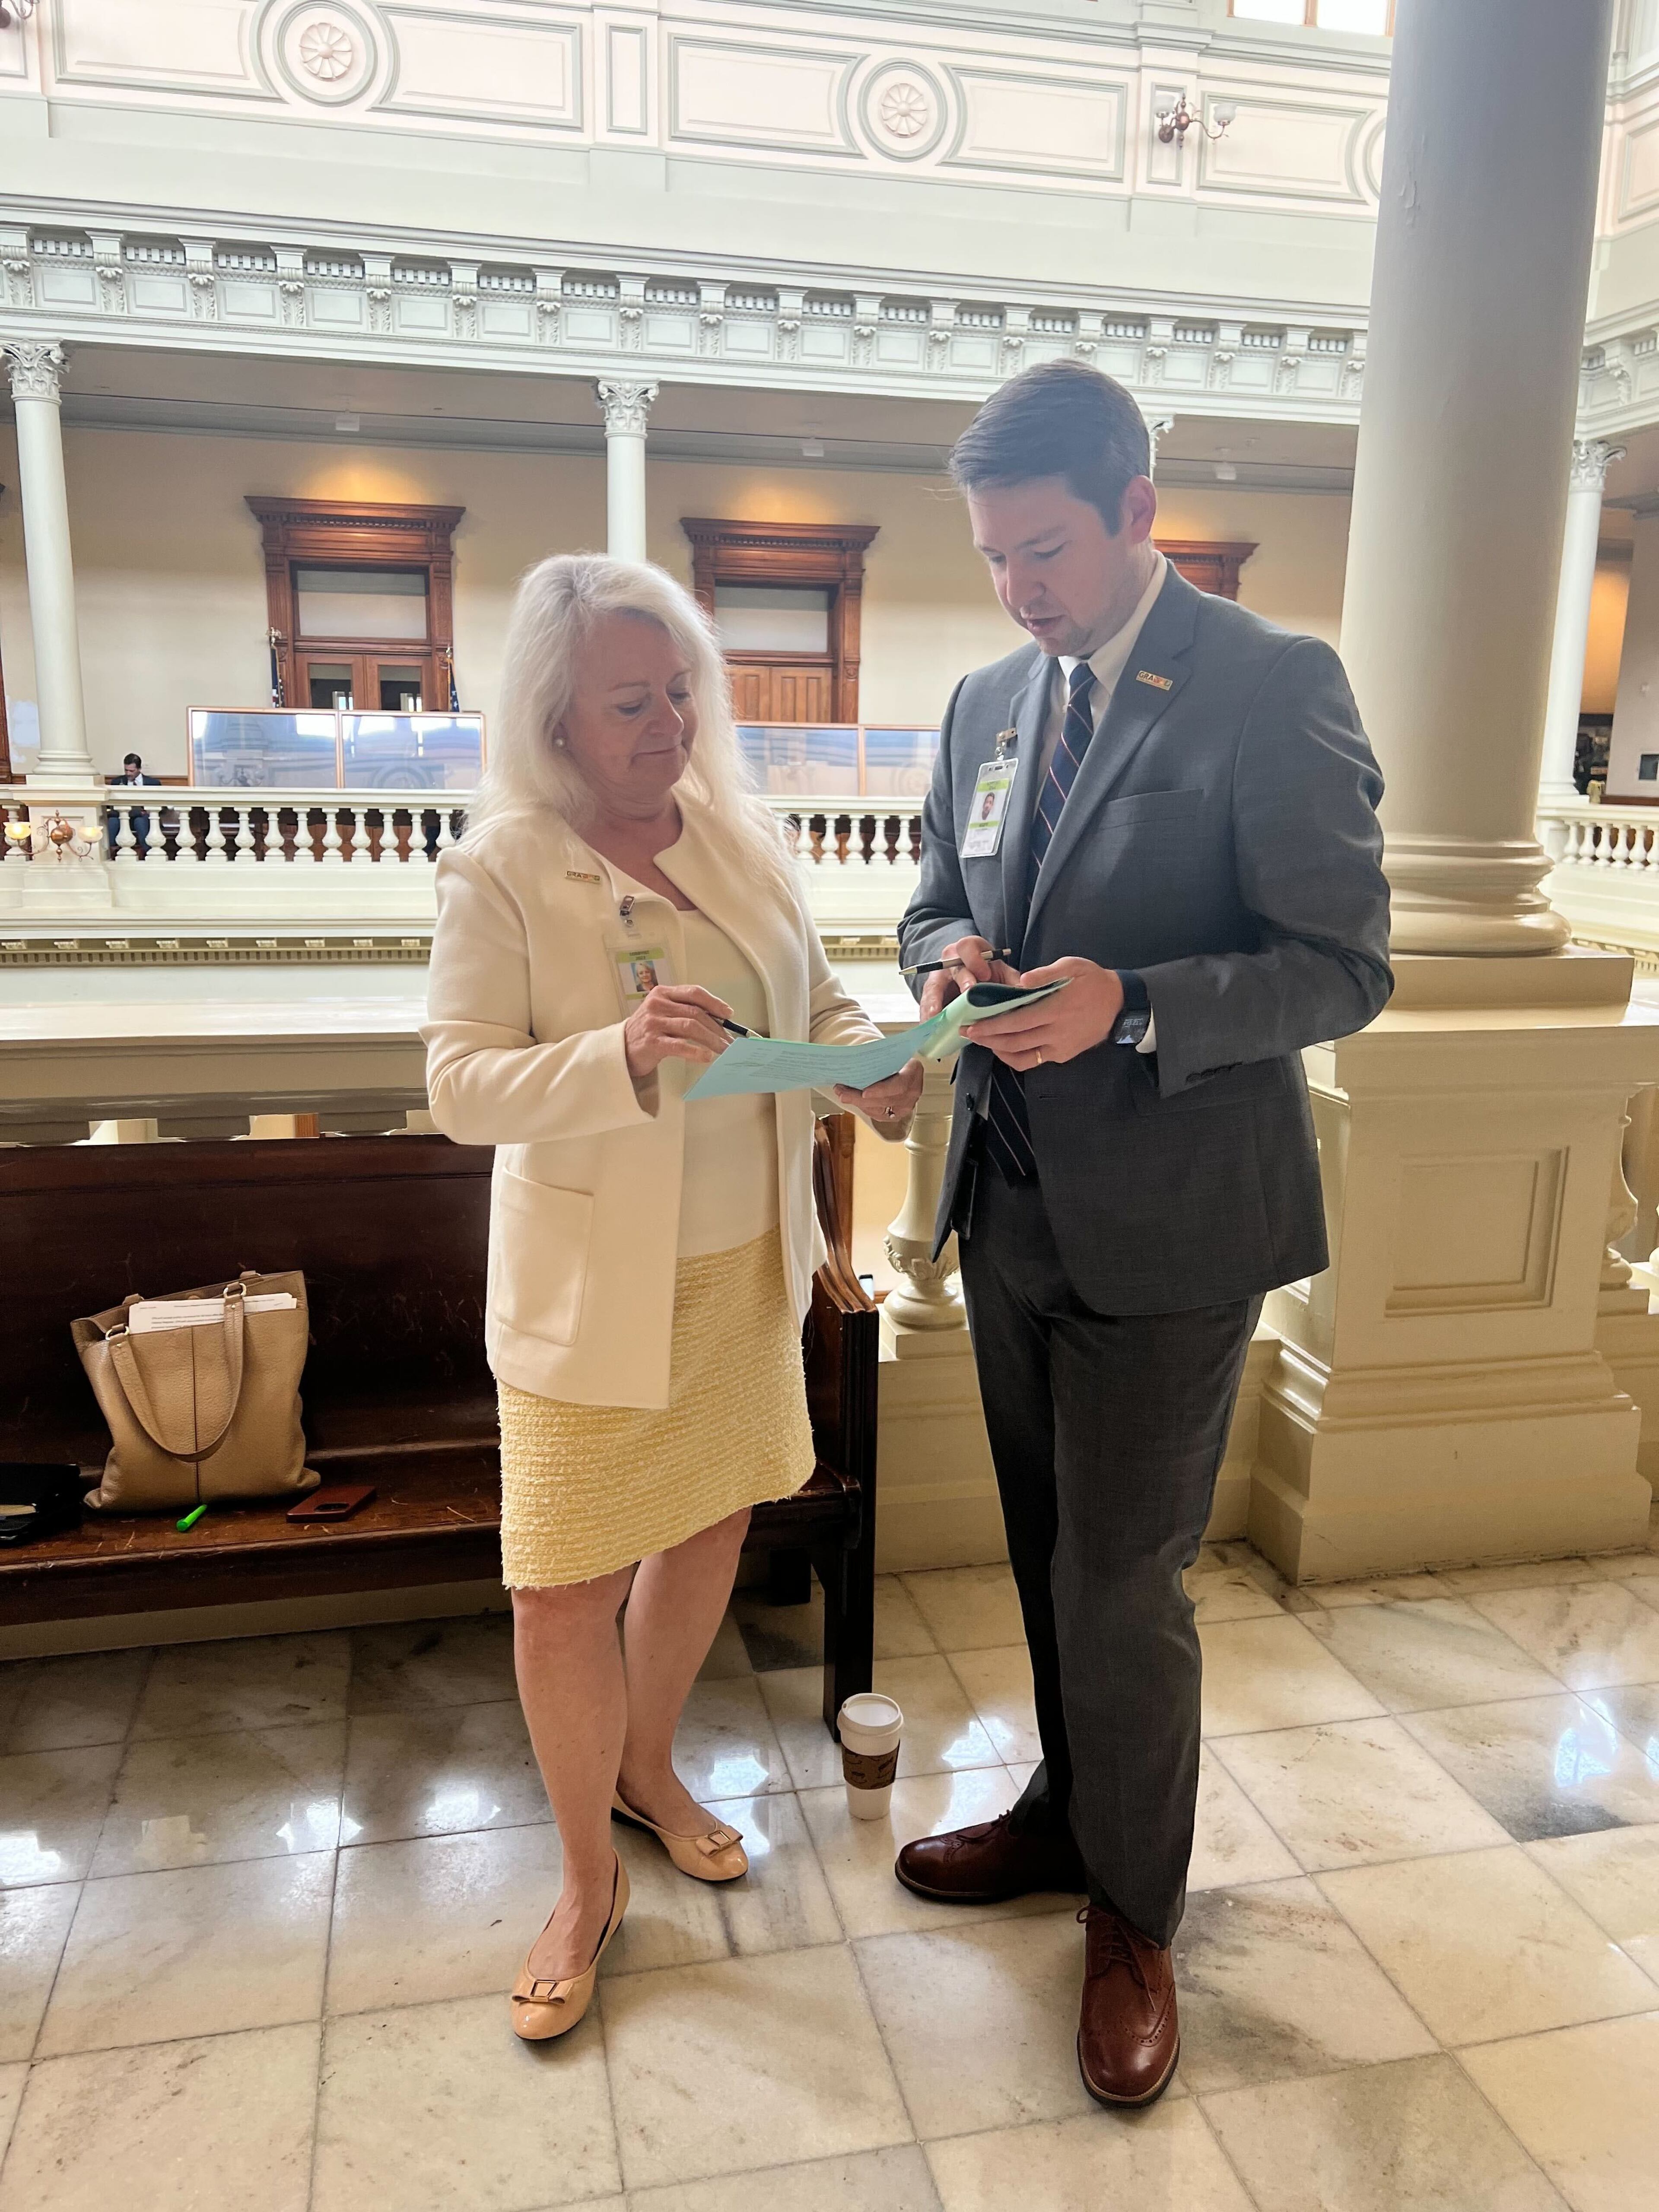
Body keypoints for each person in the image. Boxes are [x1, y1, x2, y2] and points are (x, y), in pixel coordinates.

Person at [894, 360, 1392, 2110]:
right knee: (1047, 1552)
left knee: (1123, 1577)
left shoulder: (1272, 686)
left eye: (1046, 549)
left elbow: (1346, 966)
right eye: (994, 557)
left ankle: (1136, 1909)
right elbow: (933, 892)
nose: (1021, 590)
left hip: (1176, 1226)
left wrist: (1135, 1004)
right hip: (1012, 1200)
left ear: (1134, 514)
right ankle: (1058, 1807)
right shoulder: (983, 700)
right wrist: (945, 962)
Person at [423, 554, 921, 2043]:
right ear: (559, 721)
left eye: (682, 688)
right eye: (630, 702)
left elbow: (813, 996)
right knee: (562, 1583)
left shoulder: (733, 838)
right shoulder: (504, 863)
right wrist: (617, 1058)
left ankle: (650, 1768)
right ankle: (587, 1883)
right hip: (591, 1289)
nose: (668, 721)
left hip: (742, 1265)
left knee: (712, 1520)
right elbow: (456, 1088)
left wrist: (875, 1068)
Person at [106, 750, 159, 858]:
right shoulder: (117, 782)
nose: (128, 774)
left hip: (144, 819)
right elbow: (112, 806)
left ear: (139, 769)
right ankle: (110, 854)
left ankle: (148, 854)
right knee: (113, 821)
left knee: (140, 821)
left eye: (132, 771)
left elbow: (163, 807)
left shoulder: (153, 783)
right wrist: (137, 812)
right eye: (126, 770)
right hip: (122, 816)